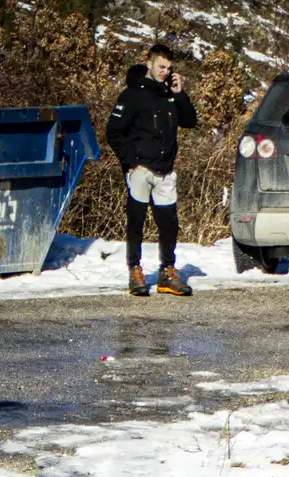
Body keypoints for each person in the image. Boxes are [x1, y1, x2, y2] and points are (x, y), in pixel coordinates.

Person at [106, 44, 198, 297]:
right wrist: (129, 163)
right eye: (161, 67)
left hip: (166, 171)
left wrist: (180, 94)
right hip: (141, 169)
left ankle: (167, 273)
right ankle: (134, 271)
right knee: (135, 222)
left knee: (169, 224)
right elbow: (113, 132)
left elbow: (190, 121)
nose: (165, 72)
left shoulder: (169, 93)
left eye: (169, 68)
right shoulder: (132, 94)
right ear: (149, 64)